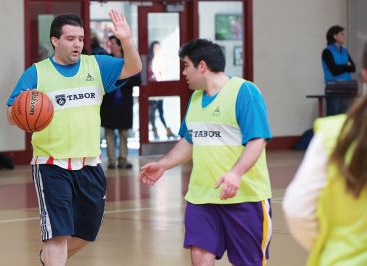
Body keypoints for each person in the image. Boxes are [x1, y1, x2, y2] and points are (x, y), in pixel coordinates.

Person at [6, 10, 141, 266]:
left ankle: (48, 259)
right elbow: (12, 115)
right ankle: (53, 257)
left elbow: (133, 68)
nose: (77, 43)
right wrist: (25, 110)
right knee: (57, 234)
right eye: (70, 38)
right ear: (55, 41)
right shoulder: (37, 73)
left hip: (89, 163)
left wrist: (126, 40)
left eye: (80, 38)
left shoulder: (96, 66)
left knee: (88, 231)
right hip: (51, 164)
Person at [138, 39, 272, 266]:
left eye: (186, 65)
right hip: (201, 197)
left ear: (201, 66)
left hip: (245, 198)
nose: (183, 72)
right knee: (200, 258)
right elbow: (189, 142)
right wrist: (164, 164)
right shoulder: (195, 99)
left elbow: (258, 140)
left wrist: (236, 174)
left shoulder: (244, 92)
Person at [283, 43, 367, 266]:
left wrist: (334, 245)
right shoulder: (330, 51)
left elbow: (298, 209)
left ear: (364, 75)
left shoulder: (334, 134)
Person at [101, 35, 141, 169]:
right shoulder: (107, 60)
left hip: (124, 102)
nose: (111, 45)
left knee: (124, 132)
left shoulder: (129, 60)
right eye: (110, 43)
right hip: (108, 102)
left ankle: (123, 159)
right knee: (109, 132)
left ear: (119, 45)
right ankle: (112, 160)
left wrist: (120, 78)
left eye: (113, 43)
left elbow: (137, 79)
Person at [322, 25, 356, 116]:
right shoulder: (327, 52)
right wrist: (346, 66)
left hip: (346, 87)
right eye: (342, 34)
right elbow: (334, 70)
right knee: (333, 114)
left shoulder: (345, 51)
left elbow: (353, 68)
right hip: (333, 87)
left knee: (345, 115)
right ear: (335, 36)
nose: (344, 36)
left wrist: (340, 67)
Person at [148, 41, 176, 139]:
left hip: (160, 89)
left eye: (158, 48)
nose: (157, 50)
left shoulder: (161, 60)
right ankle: (155, 130)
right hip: (152, 90)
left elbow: (162, 75)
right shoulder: (149, 61)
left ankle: (167, 130)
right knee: (152, 112)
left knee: (161, 112)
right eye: (155, 48)